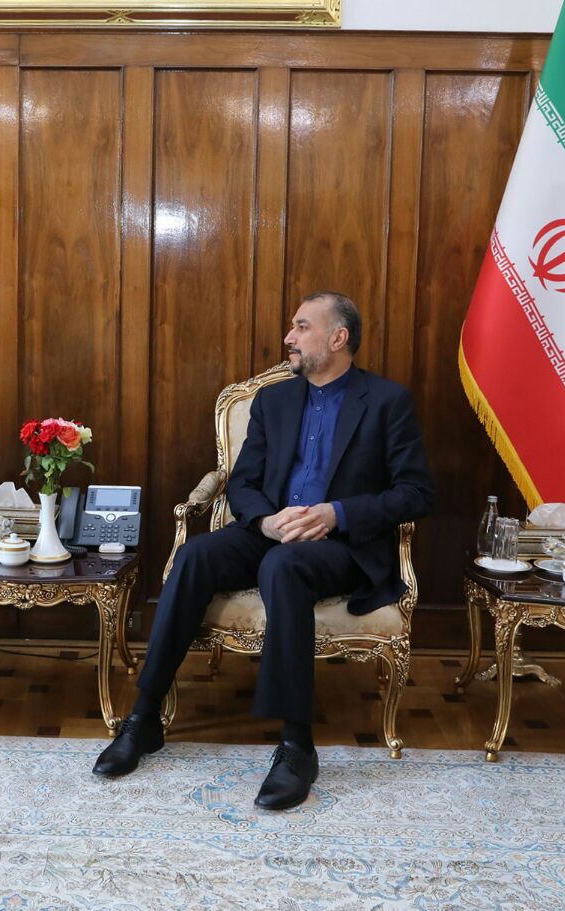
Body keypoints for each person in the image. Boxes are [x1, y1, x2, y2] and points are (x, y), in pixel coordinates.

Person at [92, 292, 434, 809]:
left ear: (337, 338)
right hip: (269, 531)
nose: (289, 338)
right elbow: (243, 483)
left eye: (302, 327)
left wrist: (335, 513)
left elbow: (416, 493)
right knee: (195, 555)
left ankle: (296, 747)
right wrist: (267, 521)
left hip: (341, 545)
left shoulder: (386, 402)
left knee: (285, 566)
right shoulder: (274, 401)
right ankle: (144, 718)